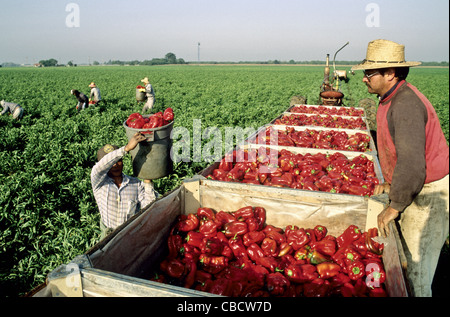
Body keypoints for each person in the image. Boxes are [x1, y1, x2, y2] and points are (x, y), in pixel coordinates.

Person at [352, 39, 449, 297]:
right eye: (365, 72)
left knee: (416, 273)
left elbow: (413, 164)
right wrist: (392, 182)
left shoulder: (405, 105)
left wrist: (394, 206)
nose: (364, 78)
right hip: (415, 185)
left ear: (391, 74)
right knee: (406, 262)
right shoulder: (389, 98)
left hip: (429, 193)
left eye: (369, 73)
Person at [91, 132, 159, 239]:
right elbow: (98, 169)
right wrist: (126, 149)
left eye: (119, 161)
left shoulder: (135, 184)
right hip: (107, 238)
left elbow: (149, 207)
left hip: (129, 237)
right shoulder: (99, 183)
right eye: (111, 162)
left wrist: (147, 180)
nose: (115, 165)